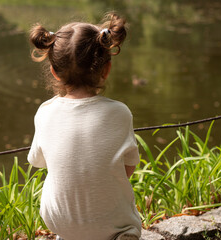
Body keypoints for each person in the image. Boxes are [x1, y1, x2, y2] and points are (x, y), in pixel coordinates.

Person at [27, 12, 142, 240]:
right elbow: (129, 168)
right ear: (106, 69)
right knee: (127, 220)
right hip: (113, 224)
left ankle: (69, 234)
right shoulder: (119, 112)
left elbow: (38, 162)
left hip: (60, 221)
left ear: (54, 72)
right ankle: (123, 234)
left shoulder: (45, 112)